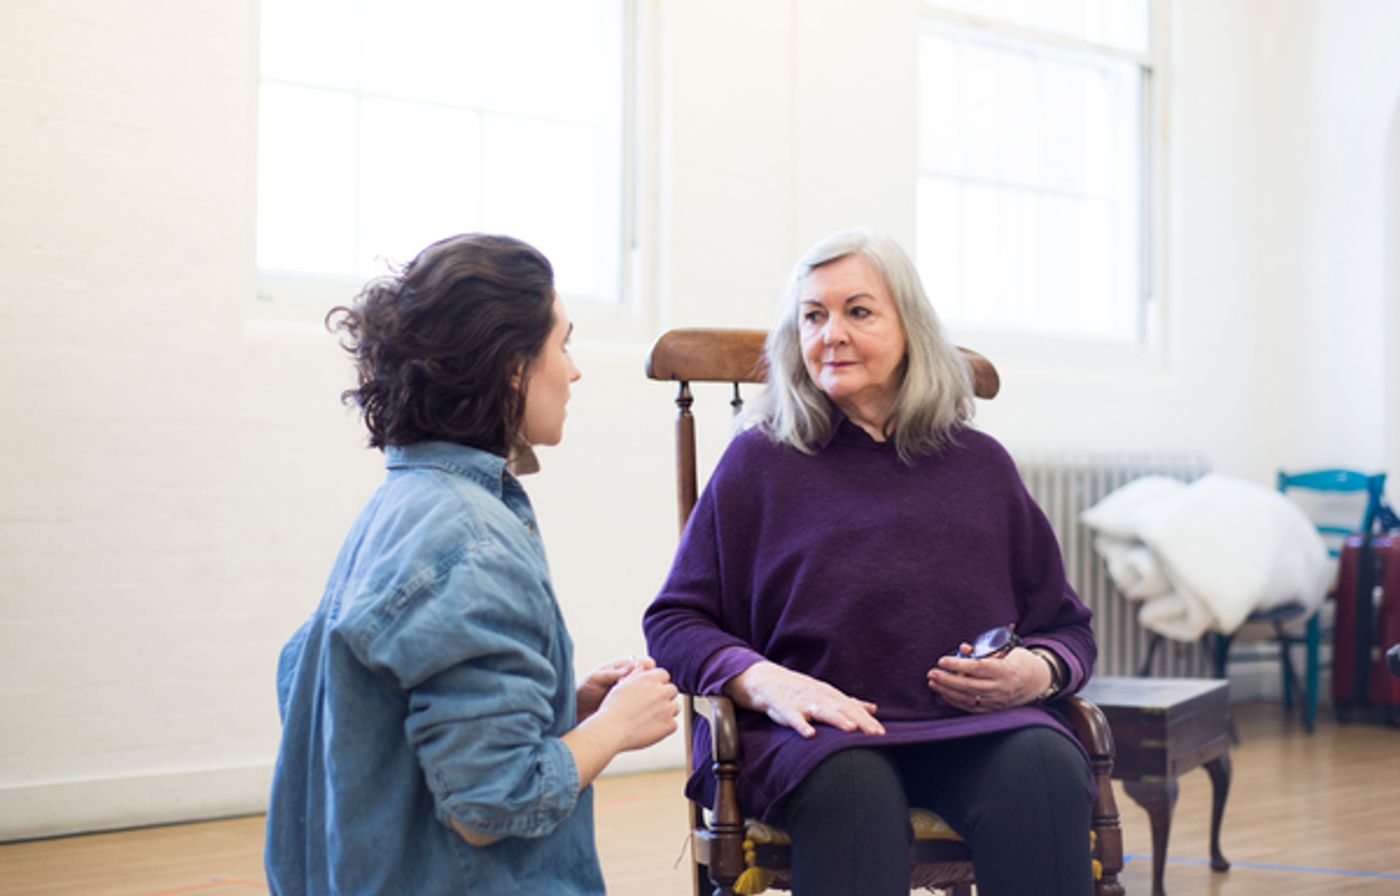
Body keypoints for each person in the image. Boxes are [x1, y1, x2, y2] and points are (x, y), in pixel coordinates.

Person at [642, 227, 1097, 895]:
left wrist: (1035, 671)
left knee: (1046, 768)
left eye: (858, 311)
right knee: (855, 793)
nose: (832, 334)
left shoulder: (980, 465)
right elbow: (676, 621)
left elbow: (1067, 626)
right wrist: (765, 681)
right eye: (813, 316)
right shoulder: (758, 463)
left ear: (910, 327)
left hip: (971, 729)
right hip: (812, 739)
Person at [266, 233, 679, 895]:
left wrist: (562, 710)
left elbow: (401, 723)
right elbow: (492, 805)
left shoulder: (403, 506)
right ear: (514, 367)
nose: (573, 371)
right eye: (563, 343)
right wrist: (614, 729)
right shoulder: (471, 544)